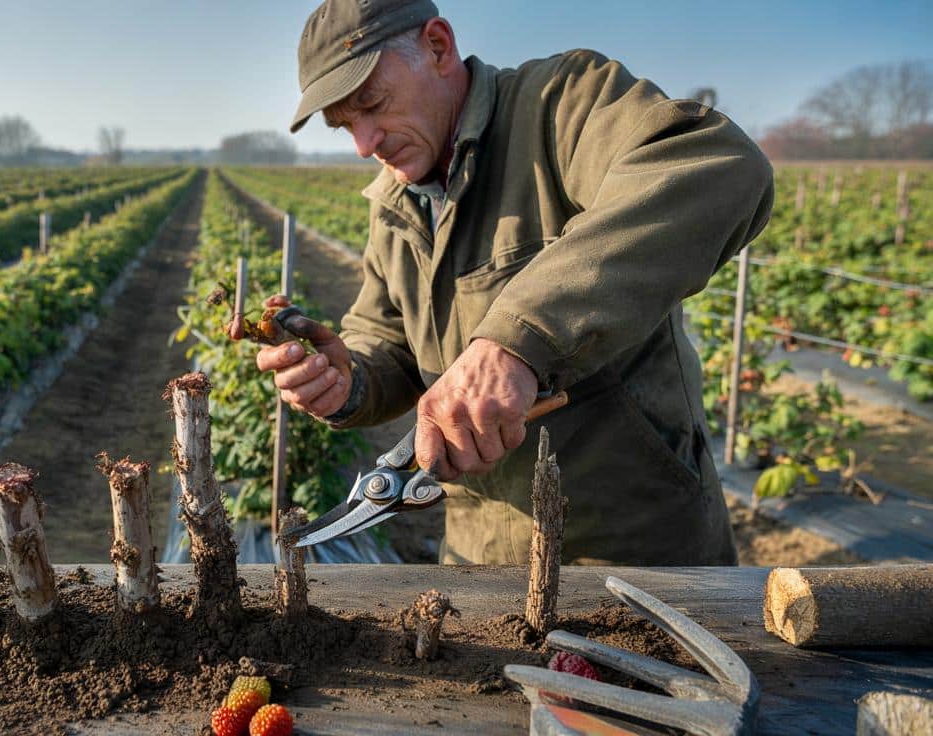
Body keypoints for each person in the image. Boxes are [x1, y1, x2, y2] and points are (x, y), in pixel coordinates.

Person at [256, 0, 775, 565]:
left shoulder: (560, 105)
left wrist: (516, 341)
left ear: (437, 45)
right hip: (482, 562)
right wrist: (347, 380)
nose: (364, 143)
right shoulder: (395, 203)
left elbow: (715, 163)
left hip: (637, 553)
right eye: (344, 125)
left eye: (372, 104)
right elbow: (390, 342)